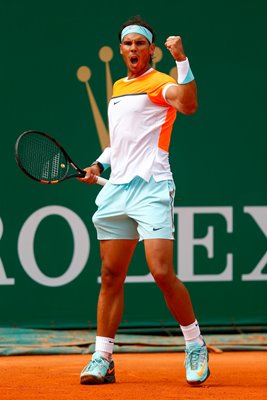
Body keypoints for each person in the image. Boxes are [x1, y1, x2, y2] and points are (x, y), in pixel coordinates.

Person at [79, 15, 210, 386]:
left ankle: (194, 344)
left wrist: (181, 60)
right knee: (110, 275)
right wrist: (98, 164)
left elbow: (188, 105)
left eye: (141, 43)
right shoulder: (119, 87)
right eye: (128, 43)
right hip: (117, 189)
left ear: (151, 50)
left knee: (161, 271)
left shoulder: (161, 83)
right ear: (121, 49)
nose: (134, 49)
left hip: (152, 188)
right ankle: (103, 357)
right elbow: (119, 142)